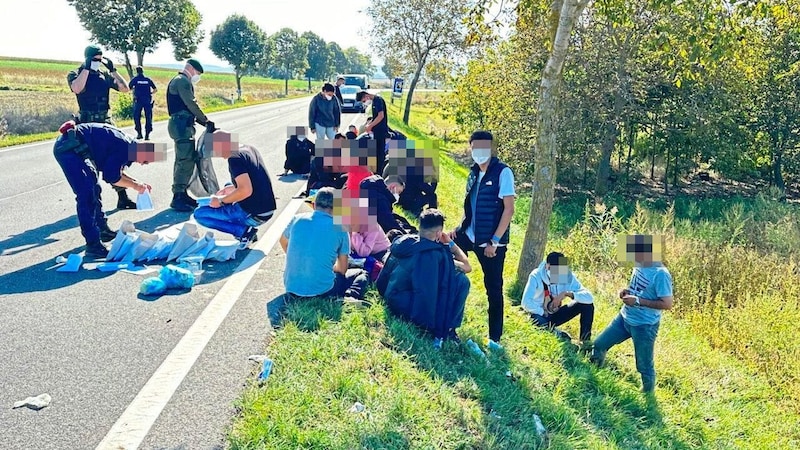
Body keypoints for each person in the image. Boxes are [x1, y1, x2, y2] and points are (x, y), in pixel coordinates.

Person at [450, 130, 516, 351]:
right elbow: (470, 207)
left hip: (491, 243)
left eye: (484, 147)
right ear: (470, 147)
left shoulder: (503, 172)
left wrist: (495, 241)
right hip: (468, 235)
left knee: (494, 288)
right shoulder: (472, 173)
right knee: (448, 267)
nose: (479, 152)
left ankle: (495, 339)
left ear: (492, 148)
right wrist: (457, 231)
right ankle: (448, 322)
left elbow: (509, 210)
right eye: (475, 147)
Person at [53, 121, 154, 258]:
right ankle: (93, 244)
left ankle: (102, 230)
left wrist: (137, 183)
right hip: (68, 148)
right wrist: (136, 186)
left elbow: (115, 171)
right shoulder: (125, 148)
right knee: (86, 193)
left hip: (77, 146)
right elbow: (112, 177)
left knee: (94, 188)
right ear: (141, 152)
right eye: (145, 161)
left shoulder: (130, 146)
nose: (142, 164)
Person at [377, 208, 472, 348]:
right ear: (439, 233)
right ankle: (450, 329)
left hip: (390, 297)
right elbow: (467, 266)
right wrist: (451, 243)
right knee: (462, 281)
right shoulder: (437, 255)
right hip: (410, 310)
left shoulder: (404, 241)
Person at [590, 235, 674, 393]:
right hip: (624, 318)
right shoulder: (639, 265)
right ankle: (592, 373)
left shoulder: (661, 274)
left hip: (644, 326)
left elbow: (667, 304)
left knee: (644, 365)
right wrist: (627, 291)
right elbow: (639, 289)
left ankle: (647, 395)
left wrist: (638, 301)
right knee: (600, 344)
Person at [68, 44, 136, 210]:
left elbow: (125, 89)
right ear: (87, 58)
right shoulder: (76, 74)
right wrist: (86, 68)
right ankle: (93, 201)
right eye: (95, 59)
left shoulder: (104, 75)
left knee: (114, 159)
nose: (98, 62)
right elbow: (77, 88)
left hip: (105, 123)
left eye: (100, 59)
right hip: (87, 126)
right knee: (90, 164)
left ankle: (122, 196)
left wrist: (113, 71)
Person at [280, 187, 369, 301]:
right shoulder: (341, 228)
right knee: (361, 273)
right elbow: (342, 269)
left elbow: (282, 241)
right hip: (323, 290)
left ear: (314, 204)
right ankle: (350, 296)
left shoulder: (297, 219)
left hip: (291, 288)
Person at [192, 131, 277, 249]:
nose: (219, 155)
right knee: (228, 184)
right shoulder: (249, 149)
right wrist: (231, 189)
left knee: (200, 214)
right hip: (266, 208)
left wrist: (221, 201)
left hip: (254, 214)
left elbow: (246, 190)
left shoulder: (234, 159)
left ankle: (244, 232)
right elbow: (254, 180)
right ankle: (245, 228)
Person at [166, 58, 213, 212]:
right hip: (181, 125)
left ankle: (182, 192)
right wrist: (205, 120)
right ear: (191, 69)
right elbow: (190, 104)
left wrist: (202, 122)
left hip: (181, 124)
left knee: (185, 159)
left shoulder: (180, 80)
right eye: (198, 73)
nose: (197, 76)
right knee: (185, 160)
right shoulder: (182, 81)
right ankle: (178, 195)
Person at [521, 252, 595, 344]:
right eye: (557, 273)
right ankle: (557, 333)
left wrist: (567, 294)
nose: (560, 276)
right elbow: (525, 302)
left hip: (556, 314)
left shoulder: (566, 275)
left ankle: (585, 342)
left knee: (587, 305)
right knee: (536, 320)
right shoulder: (536, 276)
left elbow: (589, 297)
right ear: (548, 267)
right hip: (539, 314)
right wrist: (543, 312)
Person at [355, 90, 389, 173]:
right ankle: (375, 170)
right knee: (375, 153)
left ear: (366, 96)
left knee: (379, 154)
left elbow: (380, 116)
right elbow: (375, 117)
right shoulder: (374, 101)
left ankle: (379, 172)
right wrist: (369, 124)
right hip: (376, 131)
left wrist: (370, 126)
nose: (365, 103)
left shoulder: (378, 100)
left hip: (380, 132)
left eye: (364, 101)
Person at [128, 66, 157, 140]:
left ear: (136, 72)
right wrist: (150, 93)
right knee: (148, 117)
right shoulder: (147, 79)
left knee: (137, 117)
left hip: (138, 101)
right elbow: (155, 89)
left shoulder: (135, 79)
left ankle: (139, 134)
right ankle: (147, 135)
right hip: (147, 100)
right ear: (142, 71)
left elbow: (129, 87)